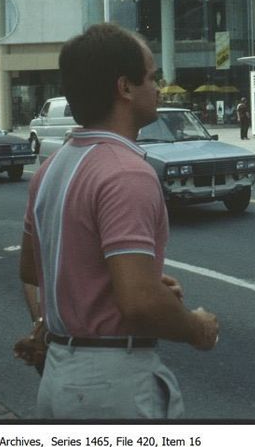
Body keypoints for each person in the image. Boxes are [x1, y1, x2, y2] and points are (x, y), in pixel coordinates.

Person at [17, 23, 218, 419]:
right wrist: (199, 328)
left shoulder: (51, 167)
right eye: (152, 77)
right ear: (125, 87)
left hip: (58, 375)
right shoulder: (127, 172)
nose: (158, 88)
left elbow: (31, 270)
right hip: (112, 386)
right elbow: (140, 304)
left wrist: (120, 280)